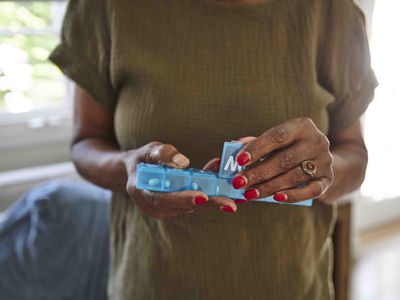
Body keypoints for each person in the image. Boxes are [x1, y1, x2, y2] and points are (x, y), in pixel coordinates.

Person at [49, 0, 378, 299]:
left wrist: (320, 172)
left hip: (293, 286)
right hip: (151, 284)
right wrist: (128, 167)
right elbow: (85, 144)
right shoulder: (105, 8)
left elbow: (355, 156)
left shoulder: (334, 13)